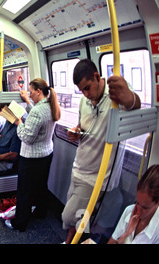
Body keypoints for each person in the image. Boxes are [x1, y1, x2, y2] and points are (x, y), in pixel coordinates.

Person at [62, 59, 141, 243]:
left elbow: (133, 104)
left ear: (97, 77)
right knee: (80, 217)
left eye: (87, 88)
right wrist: (77, 131)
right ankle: (70, 241)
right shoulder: (84, 100)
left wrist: (128, 96)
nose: (85, 94)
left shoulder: (114, 97)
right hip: (79, 168)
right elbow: (83, 125)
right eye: (81, 90)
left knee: (68, 216)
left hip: (96, 177)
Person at [5, 78, 60, 232]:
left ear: (38, 91)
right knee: (41, 186)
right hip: (46, 153)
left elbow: (27, 138)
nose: (30, 94)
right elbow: (37, 117)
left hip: (31, 158)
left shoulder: (37, 110)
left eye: (31, 92)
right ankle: (41, 212)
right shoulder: (50, 105)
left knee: (25, 190)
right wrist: (28, 102)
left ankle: (20, 223)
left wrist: (18, 122)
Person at [108, 164, 159, 244]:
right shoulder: (129, 210)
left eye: (145, 208)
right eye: (137, 203)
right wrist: (125, 234)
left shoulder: (157, 232)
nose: (138, 211)